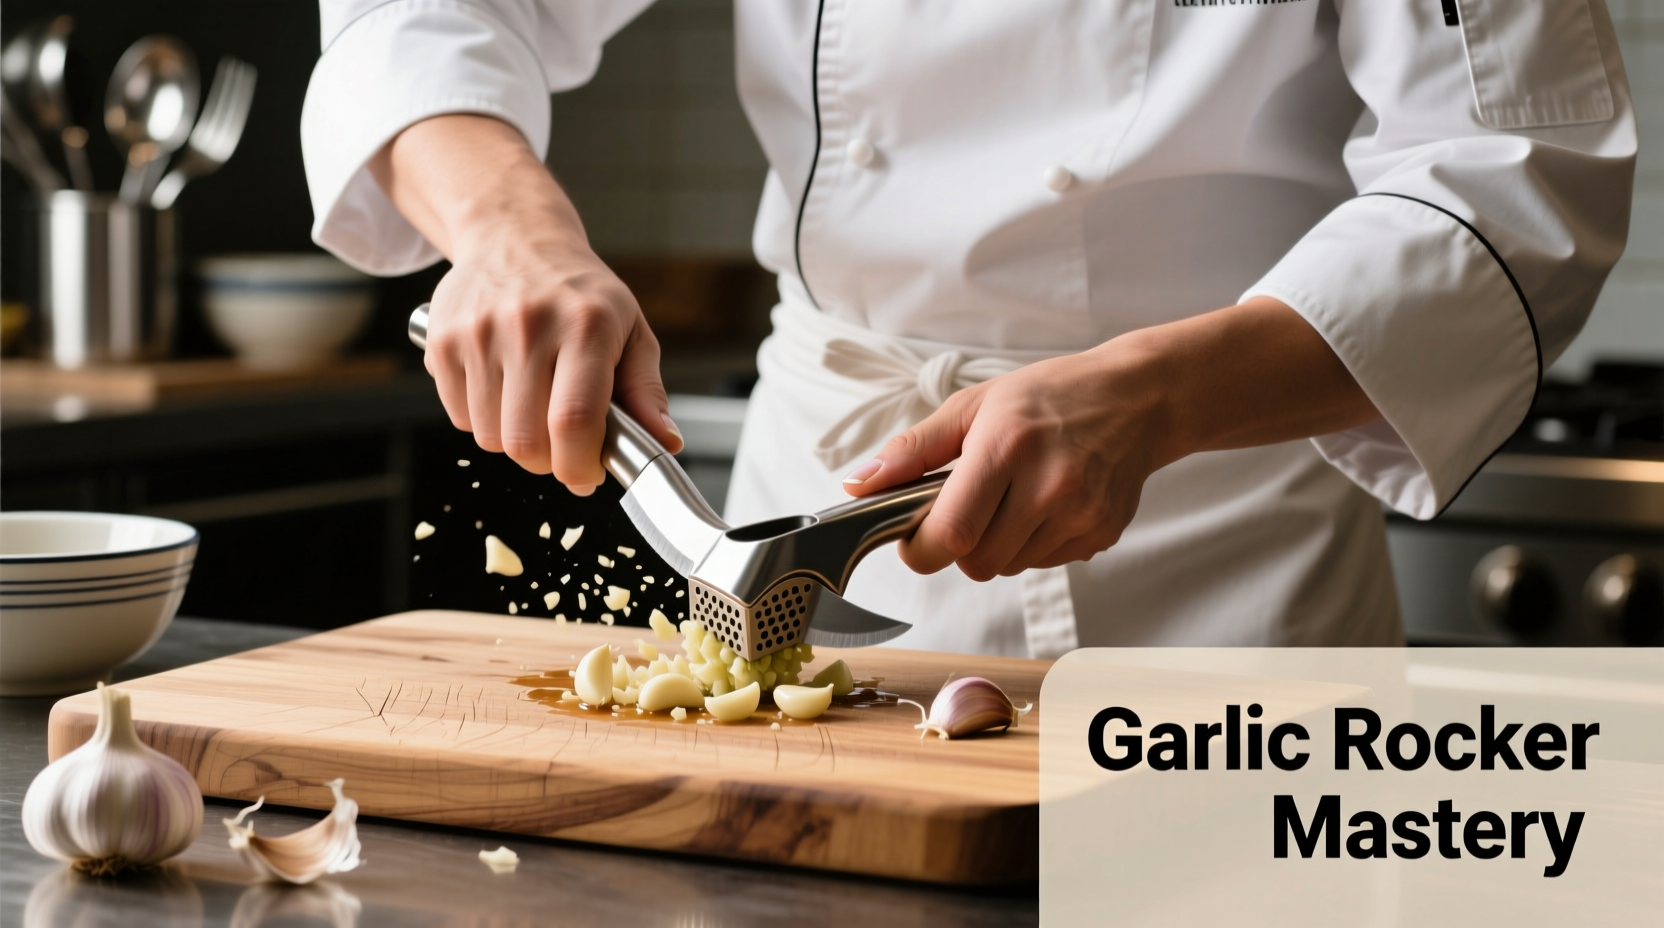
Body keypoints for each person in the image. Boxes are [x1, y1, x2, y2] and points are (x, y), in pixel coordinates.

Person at [302, 1, 1635, 656]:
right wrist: (508, 229)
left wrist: (1153, 400)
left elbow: (1518, 169)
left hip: (1214, 547)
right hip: (816, 499)